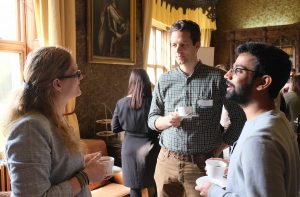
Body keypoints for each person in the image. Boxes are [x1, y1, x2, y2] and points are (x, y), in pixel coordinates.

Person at [148, 20, 246, 197]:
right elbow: (151, 119)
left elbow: (239, 119)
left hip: (201, 165)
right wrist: (166, 121)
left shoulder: (216, 79)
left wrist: (219, 147)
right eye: (173, 45)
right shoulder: (164, 80)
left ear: (197, 45)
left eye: (183, 45)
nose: (177, 50)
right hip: (166, 161)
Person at [196, 42, 300, 196]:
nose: (227, 75)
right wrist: (234, 166)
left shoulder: (258, 140)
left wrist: (213, 191)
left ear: (263, 82)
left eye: (238, 70)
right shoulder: (276, 118)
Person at [3, 47, 106, 196]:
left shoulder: (53, 120)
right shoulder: (30, 129)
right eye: (76, 73)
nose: (81, 77)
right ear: (58, 84)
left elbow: (55, 170)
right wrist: (86, 176)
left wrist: (81, 163)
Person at [112, 69, 160, 197]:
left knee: (134, 187)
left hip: (129, 148)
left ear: (131, 83)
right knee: (153, 182)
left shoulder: (121, 103)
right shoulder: (153, 103)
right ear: (147, 83)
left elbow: (115, 128)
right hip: (150, 146)